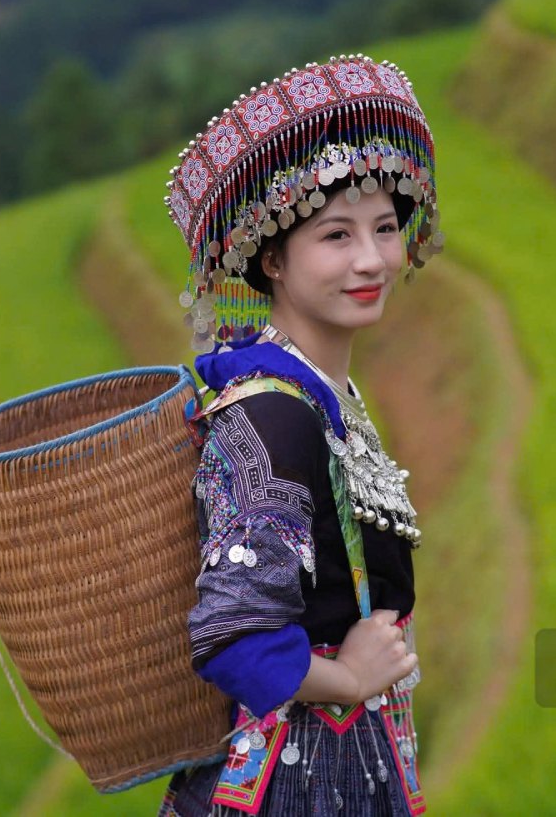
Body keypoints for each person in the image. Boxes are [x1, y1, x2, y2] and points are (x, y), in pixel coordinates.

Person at [157, 54, 445, 816]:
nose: (371, 259)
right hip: (292, 788)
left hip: (346, 775)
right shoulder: (275, 414)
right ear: (274, 259)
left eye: (385, 228)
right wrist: (347, 679)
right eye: (336, 235)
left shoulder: (329, 397)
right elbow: (232, 633)